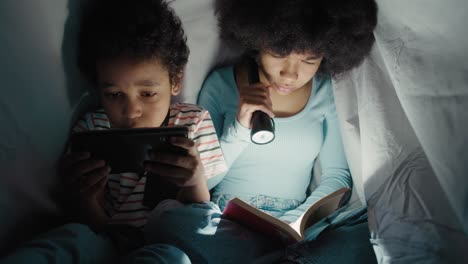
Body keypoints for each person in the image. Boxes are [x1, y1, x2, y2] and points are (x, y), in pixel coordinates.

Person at [144, 0, 378, 263]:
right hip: (225, 220)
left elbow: (336, 176)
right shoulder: (220, 85)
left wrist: (294, 221)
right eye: (280, 54)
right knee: (170, 222)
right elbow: (201, 180)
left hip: (295, 225)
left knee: (368, 233)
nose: (290, 75)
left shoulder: (325, 94)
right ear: (258, 40)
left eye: (309, 60)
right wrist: (241, 129)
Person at [0, 0, 225, 263]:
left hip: (169, 239)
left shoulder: (193, 123)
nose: (130, 111)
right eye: (114, 94)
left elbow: (195, 222)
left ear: (175, 81)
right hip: (105, 240)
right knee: (67, 241)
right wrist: (84, 197)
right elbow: (93, 227)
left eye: (148, 93)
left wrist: (194, 180)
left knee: (172, 257)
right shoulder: (92, 129)